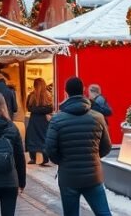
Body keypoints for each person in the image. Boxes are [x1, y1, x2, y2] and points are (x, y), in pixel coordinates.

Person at [45, 77, 113, 216]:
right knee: (103, 213)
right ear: (83, 90)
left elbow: (50, 149)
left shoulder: (57, 120)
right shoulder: (97, 117)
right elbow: (107, 146)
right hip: (93, 175)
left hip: (68, 176)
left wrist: (63, 161)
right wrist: (93, 156)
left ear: (66, 92)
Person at [24, 77, 54, 166]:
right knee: (43, 137)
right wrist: (42, 110)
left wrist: (35, 110)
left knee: (32, 138)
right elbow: (50, 108)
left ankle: (33, 158)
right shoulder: (48, 95)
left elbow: (29, 108)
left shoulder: (31, 95)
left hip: (34, 119)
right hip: (43, 120)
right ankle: (45, 158)